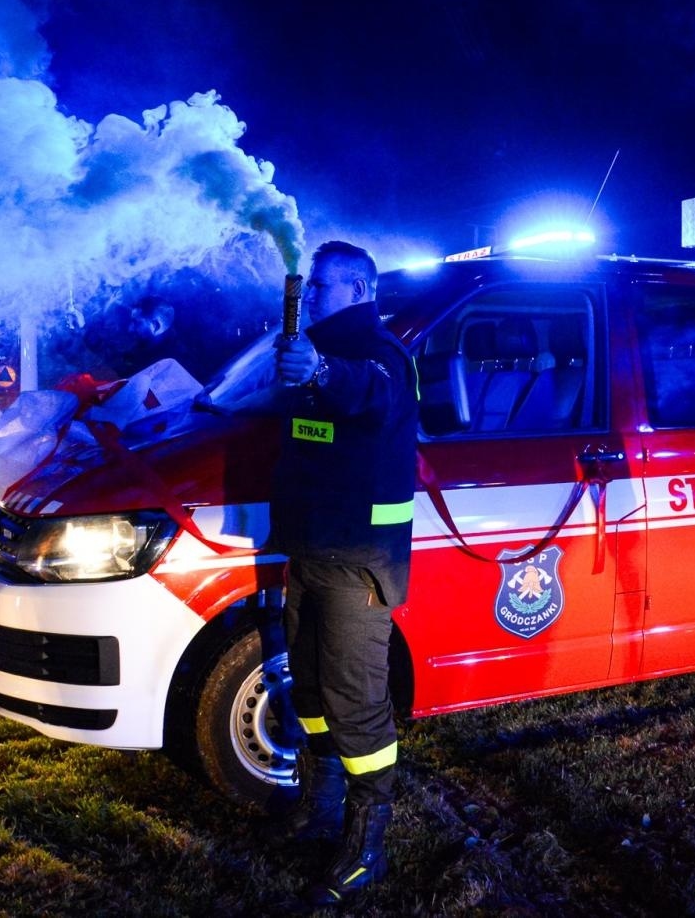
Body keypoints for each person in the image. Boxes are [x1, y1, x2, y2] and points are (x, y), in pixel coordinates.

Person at [266, 241, 417, 906]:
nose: (314, 297)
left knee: (357, 708)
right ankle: (319, 809)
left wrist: (321, 368)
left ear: (357, 287)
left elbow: (370, 394)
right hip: (309, 554)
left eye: (322, 287)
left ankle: (366, 848)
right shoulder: (309, 360)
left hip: (358, 563)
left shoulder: (380, 356)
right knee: (311, 696)